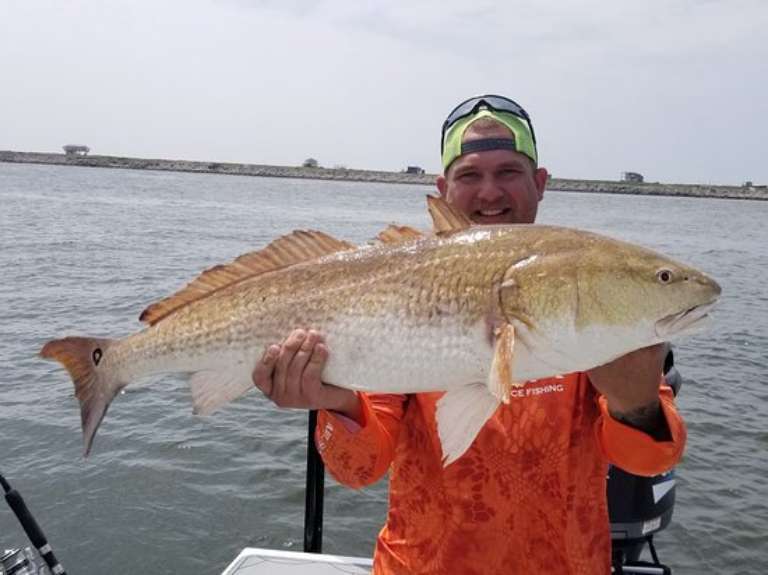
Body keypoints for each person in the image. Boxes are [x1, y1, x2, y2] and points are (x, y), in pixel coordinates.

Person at [252, 95, 686, 574]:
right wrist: (334, 403)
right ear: (443, 189)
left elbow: (650, 461)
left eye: (509, 172)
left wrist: (636, 404)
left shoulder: (582, 288)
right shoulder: (404, 288)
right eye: (469, 175)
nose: (489, 193)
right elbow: (361, 468)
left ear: (540, 183)